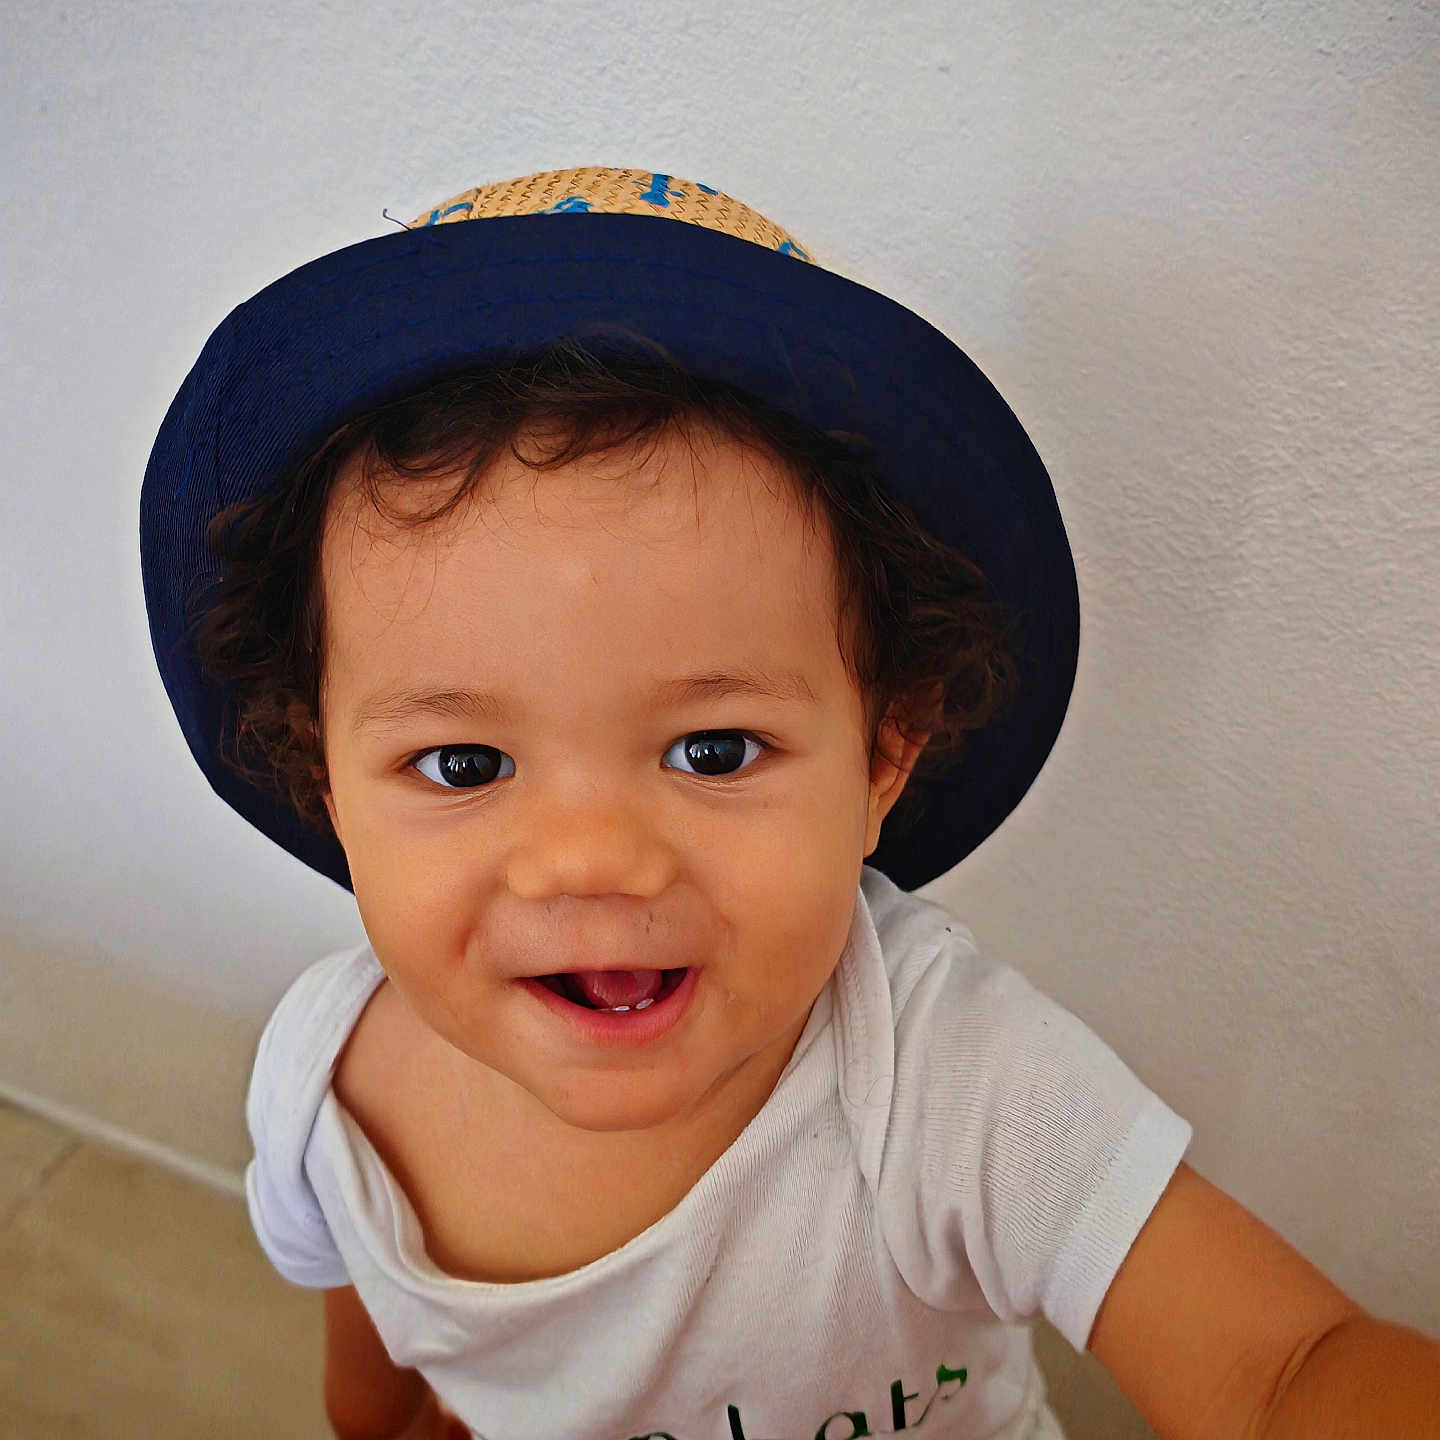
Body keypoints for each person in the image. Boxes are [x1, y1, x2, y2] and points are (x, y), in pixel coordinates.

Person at [139, 168, 1438, 1440]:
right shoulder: (324, 1087)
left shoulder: (941, 1078)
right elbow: (376, 1343)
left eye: (713, 751)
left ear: (884, 756)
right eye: (466, 765)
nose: (591, 861)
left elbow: (1284, 1371)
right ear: (322, 775)